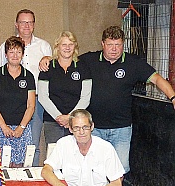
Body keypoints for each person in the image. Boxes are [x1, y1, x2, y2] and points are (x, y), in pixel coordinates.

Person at [40, 26, 175, 174]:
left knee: (121, 168)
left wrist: (173, 97)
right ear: (102, 44)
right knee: (95, 169)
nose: (114, 49)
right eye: (110, 44)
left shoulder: (133, 63)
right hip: (95, 128)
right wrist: (46, 59)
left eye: (118, 45)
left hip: (121, 128)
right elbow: (66, 56)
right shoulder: (88, 60)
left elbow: (157, 79)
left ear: (123, 44)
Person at [0, 9, 52, 167]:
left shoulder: (44, 46)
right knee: (7, 142)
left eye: (30, 22)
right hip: (9, 102)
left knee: (32, 142)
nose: (26, 26)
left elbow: (52, 74)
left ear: (34, 25)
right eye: (22, 22)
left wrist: (50, 58)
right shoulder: (4, 47)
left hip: (36, 101)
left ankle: (31, 175)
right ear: (16, 24)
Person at [0, 36, 36, 167]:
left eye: (18, 52)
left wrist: (21, 127)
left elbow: (31, 106)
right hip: (1, 128)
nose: (15, 55)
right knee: (3, 166)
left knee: (22, 167)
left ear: (22, 54)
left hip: (23, 129)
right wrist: (4, 127)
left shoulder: (29, 76)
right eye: (11, 51)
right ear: (6, 54)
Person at [38, 31, 92, 145]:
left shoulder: (83, 67)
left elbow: (85, 97)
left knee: (75, 157)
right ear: (57, 46)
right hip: (53, 122)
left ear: (75, 47)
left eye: (70, 44)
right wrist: (59, 117)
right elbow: (43, 97)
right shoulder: (47, 67)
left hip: (77, 123)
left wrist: (70, 117)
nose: (67, 48)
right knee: (54, 157)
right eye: (64, 44)